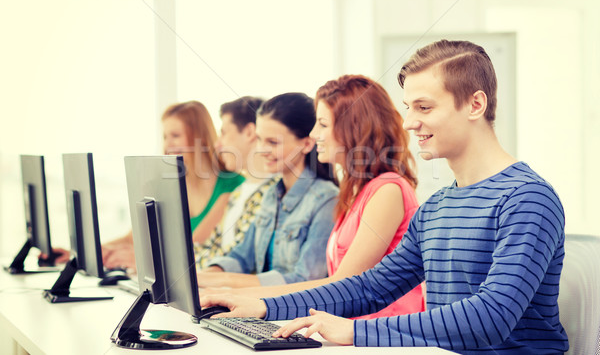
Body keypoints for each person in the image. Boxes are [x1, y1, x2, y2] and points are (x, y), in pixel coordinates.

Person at [200, 40, 569, 354]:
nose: (409, 122)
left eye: (424, 107)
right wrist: (263, 307)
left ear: (475, 105)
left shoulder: (527, 199)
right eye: (409, 108)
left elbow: (491, 318)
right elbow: (371, 287)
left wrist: (355, 333)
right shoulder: (438, 206)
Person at [204, 75, 425, 318]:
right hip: (345, 330)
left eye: (322, 124)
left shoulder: (388, 191)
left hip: (378, 338)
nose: (314, 133)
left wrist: (241, 296)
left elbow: (342, 286)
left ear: (353, 127)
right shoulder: (355, 192)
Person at [196, 92, 339, 288]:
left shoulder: (326, 199)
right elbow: (242, 256)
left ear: (306, 144)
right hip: (261, 309)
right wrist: (204, 275)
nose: (262, 149)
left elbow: (305, 280)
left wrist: (222, 280)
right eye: (260, 139)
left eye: (273, 142)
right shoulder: (271, 194)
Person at [103, 101, 244, 270]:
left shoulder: (233, 185)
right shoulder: (165, 186)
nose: (167, 145)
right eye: (165, 137)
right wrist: (85, 255)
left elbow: (192, 248)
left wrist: (142, 259)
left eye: (175, 136)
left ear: (200, 138)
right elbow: (133, 238)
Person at [195, 96, 279, 267]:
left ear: (249, 132)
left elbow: (235, 257)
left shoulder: (274, 192)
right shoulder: (239, 192)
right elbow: (211, 248)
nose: (218, 144)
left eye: (224, 133)